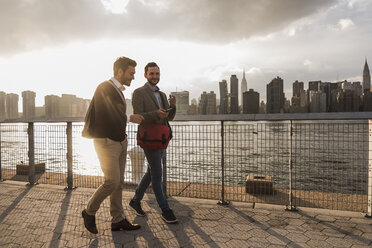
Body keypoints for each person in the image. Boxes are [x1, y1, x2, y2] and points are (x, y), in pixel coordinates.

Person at [81, 56, 144, 234]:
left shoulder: (117, 91)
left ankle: (118, 220)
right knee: (111, 181)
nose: (133, 77)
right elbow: (105, 113)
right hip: (106, 142)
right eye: (131, 73)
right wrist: (130, 118)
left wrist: (124, 138)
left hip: (120, 141)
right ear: (120, 72)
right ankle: (89, 211)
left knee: (119, 183)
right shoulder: (104, 87)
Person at [129, 62, 178, 224]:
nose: (155, 77)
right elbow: (138, 116)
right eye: (151, 74)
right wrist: (155, 114)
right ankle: (165, 210)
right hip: (149, 138)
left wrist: (172, 107)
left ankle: (135, 200)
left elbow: (168, 118)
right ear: (145, 75)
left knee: (151, 172)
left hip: (162, 138)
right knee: (157, 174)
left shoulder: (162, 95)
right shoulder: (139, 92)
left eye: (157, 74)